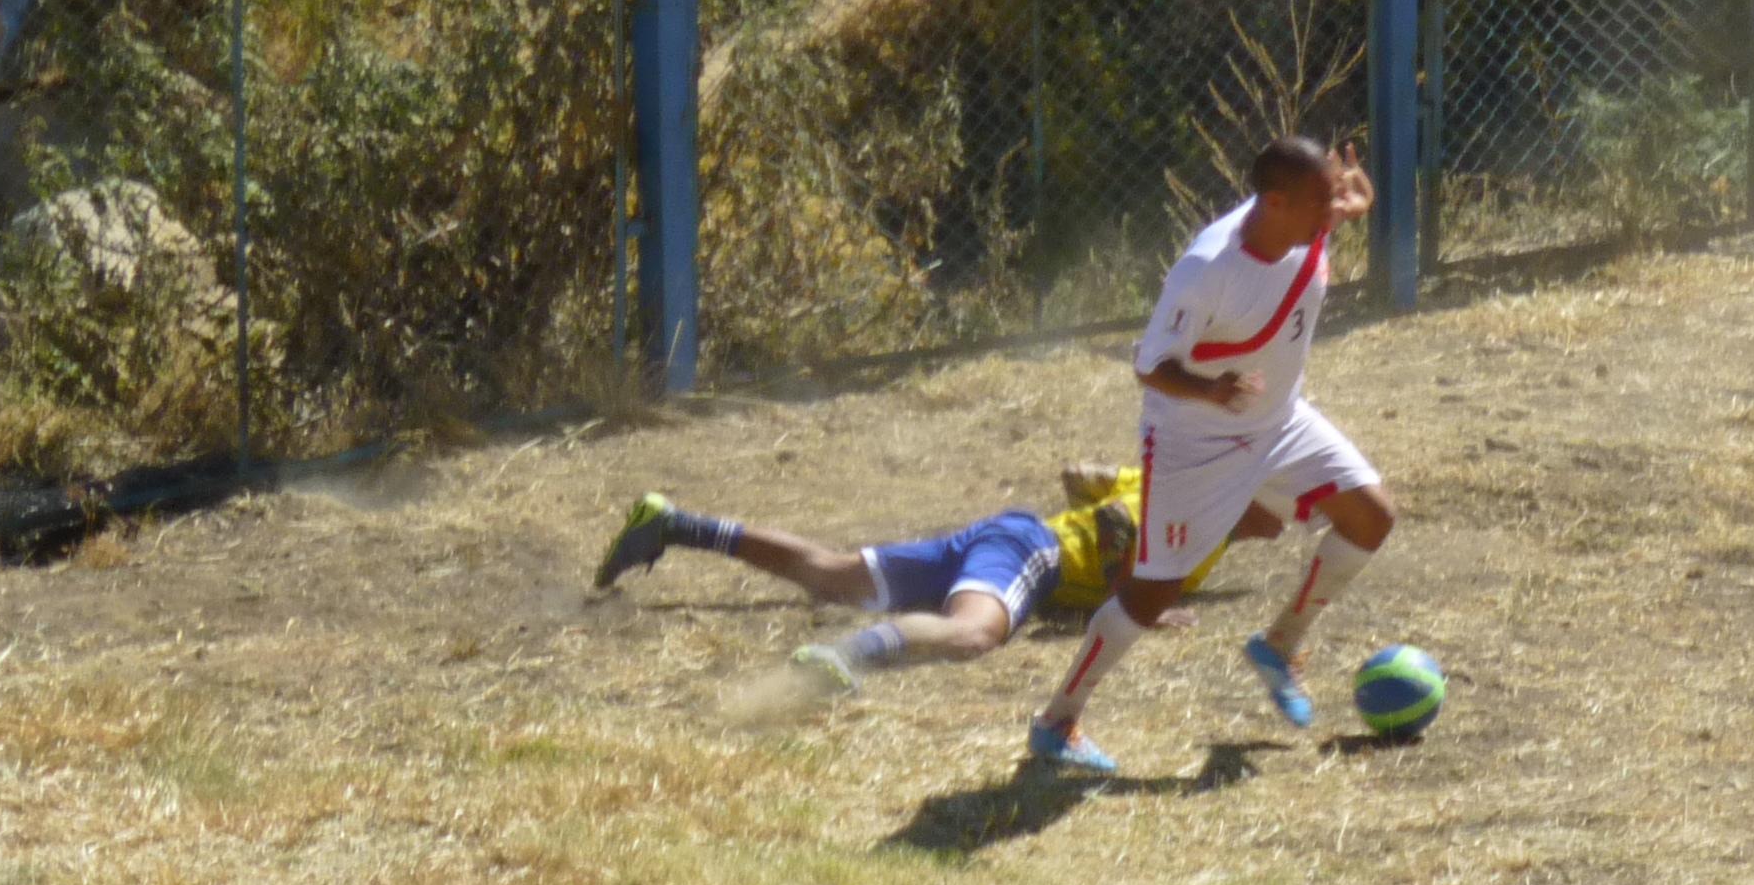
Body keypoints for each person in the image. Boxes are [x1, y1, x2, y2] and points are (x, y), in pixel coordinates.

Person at [1026, 133, 1400, 778]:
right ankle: (1059, 718)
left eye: (1334, 196)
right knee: (1152, 592)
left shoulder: (1307, 217)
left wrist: (1355, 197)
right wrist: (1212, 391)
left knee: (1372, 516)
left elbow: (1340, 207)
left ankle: (1280, 645)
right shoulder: (1208, 271)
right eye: (1323, 200)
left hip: (1279, 421)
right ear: (1277, 202)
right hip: (1195, 441)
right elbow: (1148, 367)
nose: (1332, 210)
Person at [591, 469, 1182, 686]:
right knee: (973, 633)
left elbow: (1082, 476)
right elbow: (1113, 521)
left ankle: (673, 525)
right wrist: (1139, 601)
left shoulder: (1162, 470)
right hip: (1034, 549)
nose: (1279, 522)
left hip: (1002, 536)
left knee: (831, 576)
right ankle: (846, 653)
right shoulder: (1198, 510)